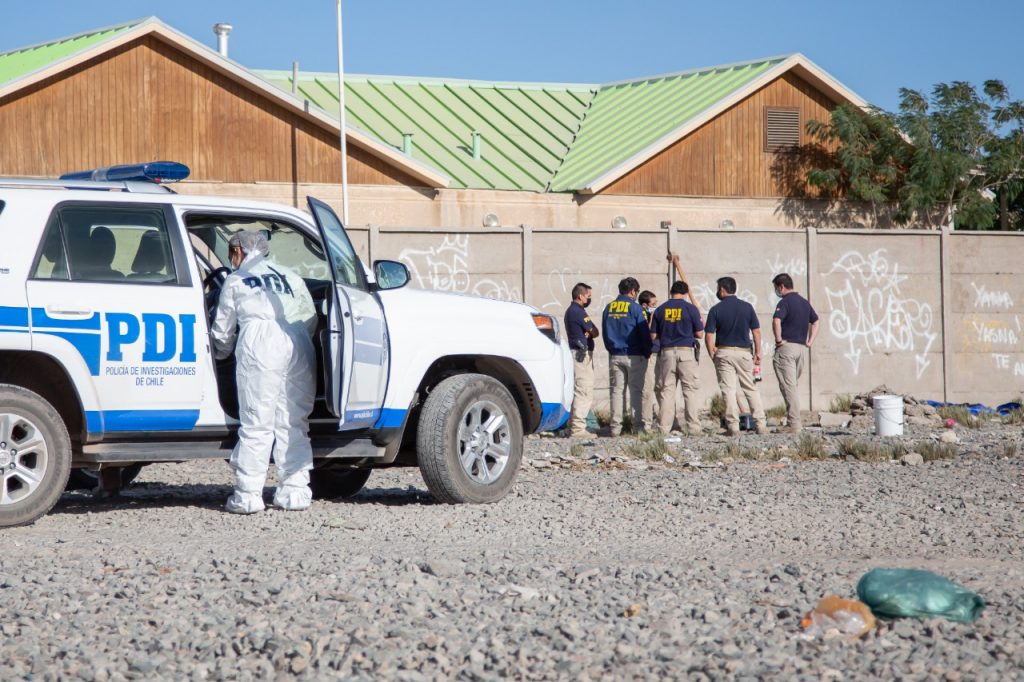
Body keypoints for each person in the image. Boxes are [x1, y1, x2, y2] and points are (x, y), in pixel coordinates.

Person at [211, 230, 318, 514]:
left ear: (238, 251)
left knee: (257, 422)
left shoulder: (237, 279)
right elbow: (310, 317)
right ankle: (295, 492)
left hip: (260, 344)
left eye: (231, 253)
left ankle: (248, 496)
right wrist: (298, 341)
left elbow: (222, 331)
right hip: (298, 342)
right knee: (294, 420)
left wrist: (220, 356)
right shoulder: (291, 276)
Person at [704, 277, 768, 436]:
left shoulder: (715, 309)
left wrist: (711, 352)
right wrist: (758, 352)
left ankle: (733, 427)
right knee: (751, 388)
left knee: (728, 390)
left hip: (724, 352)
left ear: (722, 290)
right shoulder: (747, 307)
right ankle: (760, 424)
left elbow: (709, 335)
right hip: (744, 353)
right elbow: (756, 331)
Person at [651, 280, 704, 435]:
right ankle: (693, 428)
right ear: (686, 293)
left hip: (667, 352)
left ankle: (663, 428)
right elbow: (700, 334)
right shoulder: (691, 309)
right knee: (689, 390)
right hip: (686, 352)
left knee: (667, 391)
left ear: (671, 292)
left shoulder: (660, 310)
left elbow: (653, 336)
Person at [771, 273, 820, 433]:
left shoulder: (784, 302)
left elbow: (777, 320)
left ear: (781, 286)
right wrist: (810, 341)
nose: (777, 291)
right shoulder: (804, 302)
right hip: (800, 349)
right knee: (792, 385)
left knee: (788, 387)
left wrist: (778, 340)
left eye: (776, 288)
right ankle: (793, 421)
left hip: (787, 349)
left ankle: (794, 424)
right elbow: (816, 321)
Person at [602, 277, 652, 436]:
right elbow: (643, 332)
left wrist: (611, 349)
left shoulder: (609, 307)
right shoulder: (636, 308)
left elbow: (605, 332)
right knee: (636, 391)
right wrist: (647, 352)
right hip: (634, 355)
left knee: (616, 392)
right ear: (632, 291)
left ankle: (615, 428)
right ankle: (637, 427)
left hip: (615, 355)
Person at [564, 282, 600, 438]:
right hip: (581, 355)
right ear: (580, 296)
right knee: (584, 390)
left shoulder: (571, 311)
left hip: (577, 353)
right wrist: (589, 332)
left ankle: (571, 426)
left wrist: (589, 332)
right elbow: (595, 331)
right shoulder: (578, 312)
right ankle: (578, 429)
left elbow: (592, 331)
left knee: (578, 390)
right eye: (588, 296)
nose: (589, 298)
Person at [638, 290, 659, 432]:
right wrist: (652, 318)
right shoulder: (642, 315)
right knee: (647, 388)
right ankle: (646, 422)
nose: (655, 306)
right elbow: (649, 333)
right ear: (645, 305)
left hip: (657, 352)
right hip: (648, 354)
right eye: (653, 304)